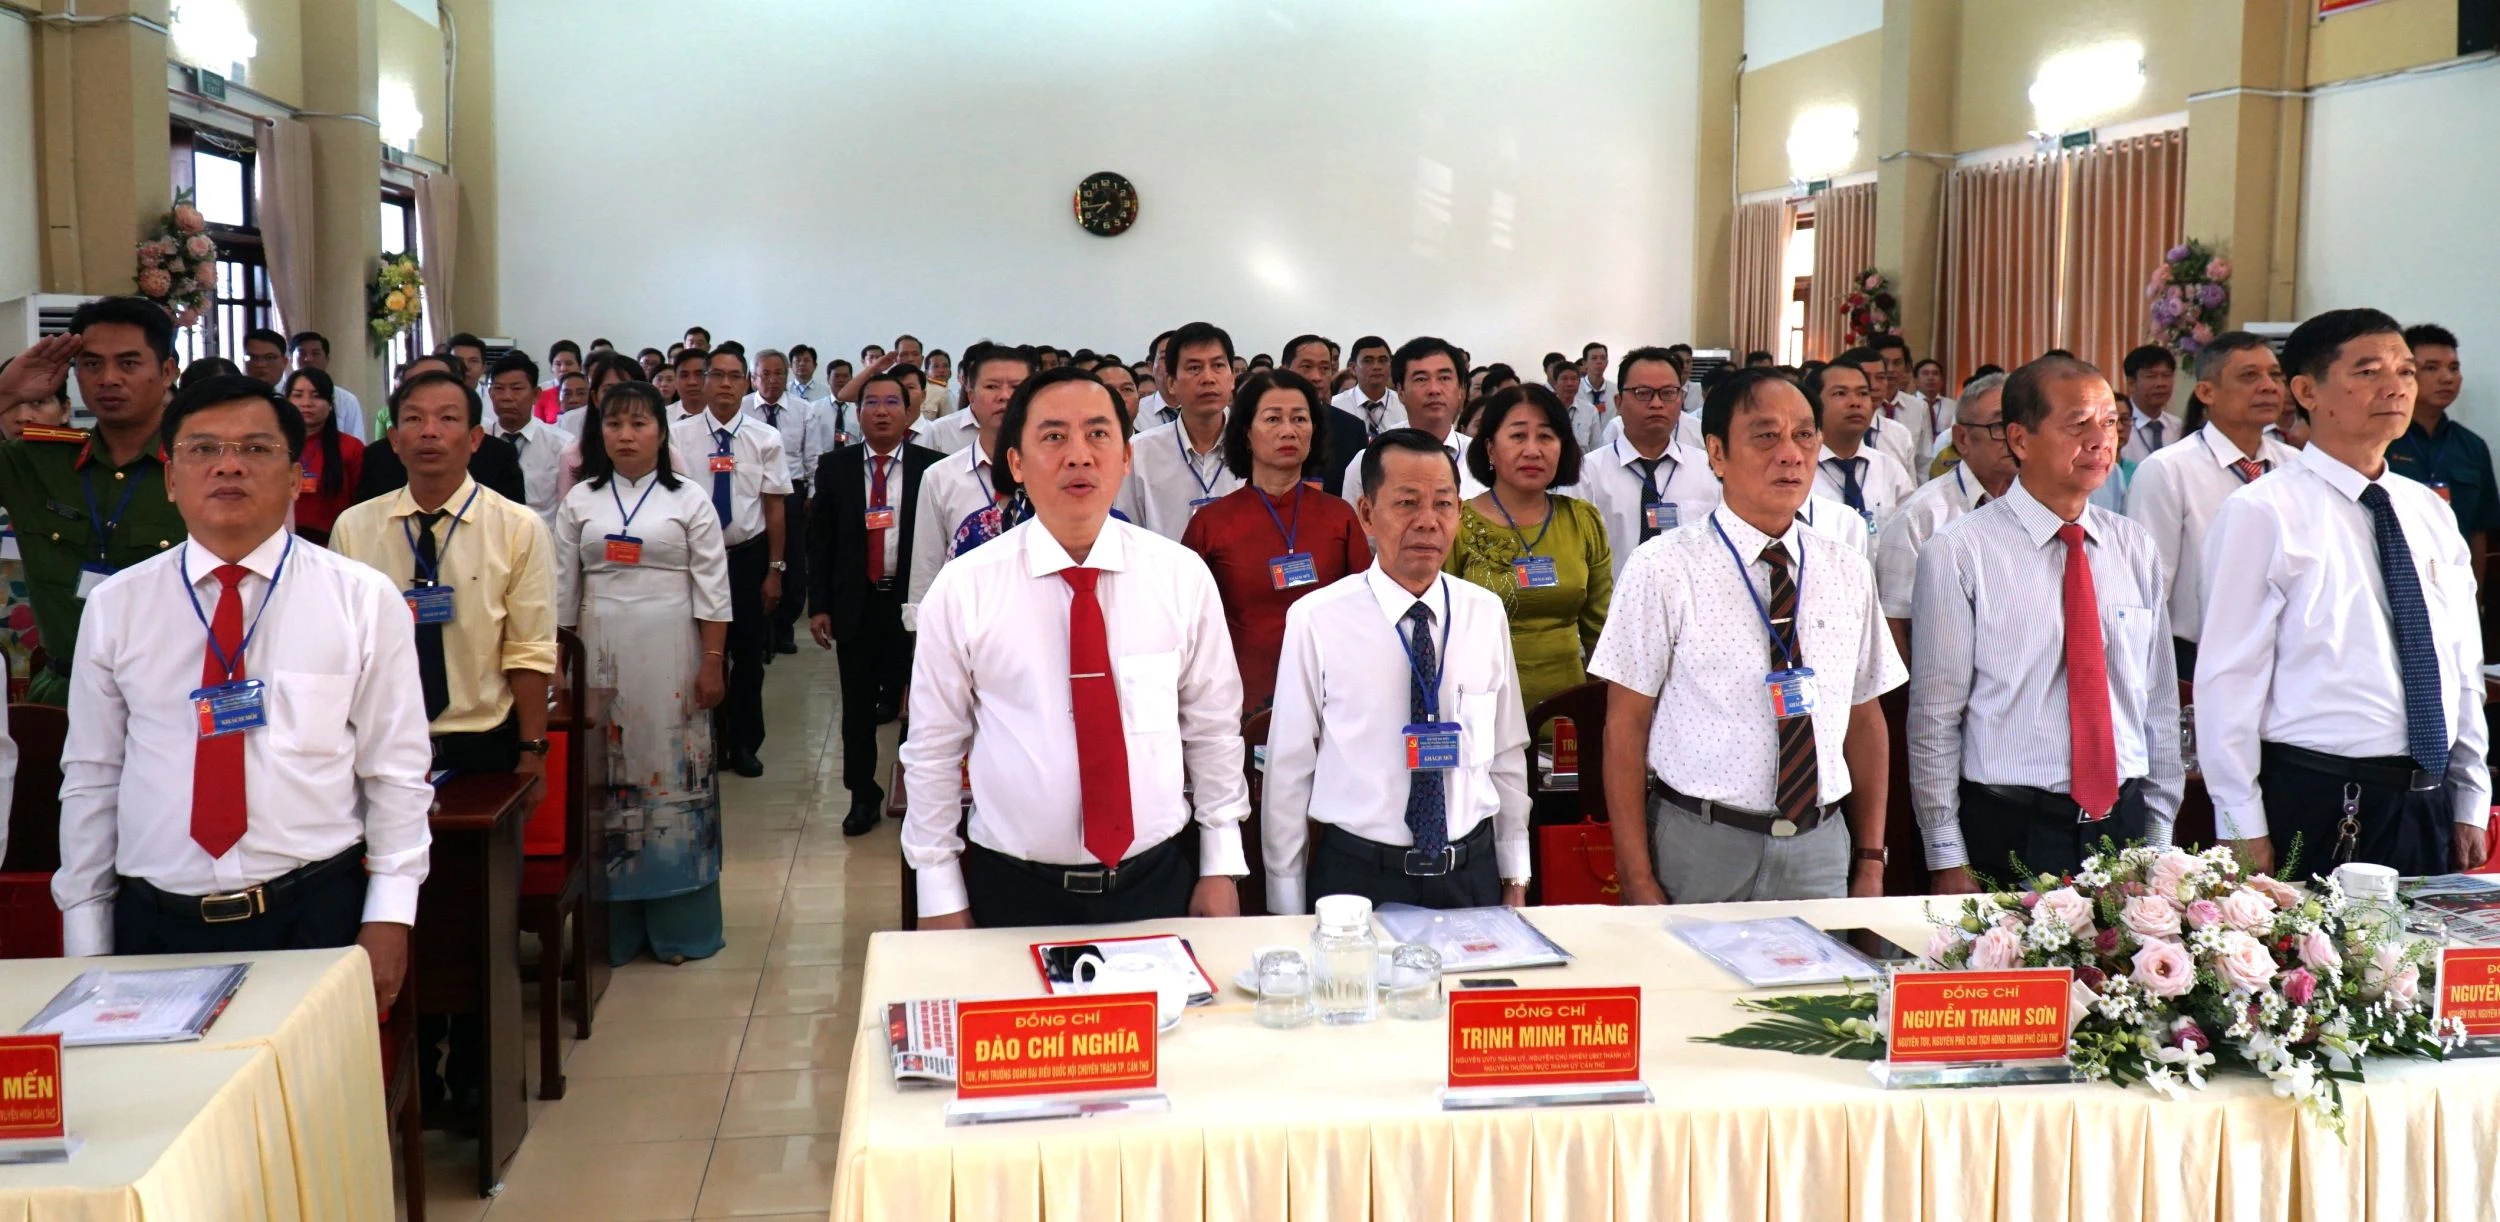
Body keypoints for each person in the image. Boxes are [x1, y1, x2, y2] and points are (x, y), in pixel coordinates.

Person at [55, 374, 430, 1013]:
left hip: (313, 912)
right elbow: (93, 776)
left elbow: (396, 770)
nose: (228, 465)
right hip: (154, 924)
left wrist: (391, 915)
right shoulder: (118, 606)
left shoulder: (361, 599)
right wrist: (86, 934)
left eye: (256, 449)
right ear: (171, 479)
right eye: (202, 449)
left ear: (296, 478)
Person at [902, 366, 1251, 929]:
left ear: (1126, 456)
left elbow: (1212, 729)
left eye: (1098, 434)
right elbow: (933, 749)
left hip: (1156, 881)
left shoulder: (1180, 576)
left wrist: (1221, 864)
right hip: (1013, 887)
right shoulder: (965, 587)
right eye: (1053, 436)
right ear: (1016, 463)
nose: (1079, 456)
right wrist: (939, 893)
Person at [1589, 369, 1905, 904]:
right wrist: (1636, 875)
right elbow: (1624, 726)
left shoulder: (1847, 568)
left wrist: (1872, 858)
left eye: (1804, 436)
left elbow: (1865, 715)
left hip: (1821, 846)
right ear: (1716, 454)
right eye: (1766, 436)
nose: (1790, 455)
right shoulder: (1663, 566)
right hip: (1701, 843)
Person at [2198, 308, 2491, 879]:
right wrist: (2239, 823)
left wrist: (2470, 795)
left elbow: (2461, 664)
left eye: (2405, 371)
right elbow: (2228, 681)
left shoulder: (2428, 511)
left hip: (2428, 799)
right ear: (2307, 391)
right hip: (2321, 795)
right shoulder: (2263, 512)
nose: (2396, 387)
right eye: (2368, 371)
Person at [1909, 356, 2183, 887]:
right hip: (2011, 824)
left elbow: (2157, 700)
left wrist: (2159, 836)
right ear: (2020, 438)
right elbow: (1935, 717)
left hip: (2123, 826)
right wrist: (1945, 854)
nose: (2100, 441)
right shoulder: (1961, 551)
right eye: (2078, 424)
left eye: (2109, 422)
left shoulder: (2133, 545)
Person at [1263, 428, 1532, 913]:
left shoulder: (1484, 612)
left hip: (1470, 874)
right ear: (1366, 513)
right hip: (1357, 879)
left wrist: (1515, 871)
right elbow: (1288, 771)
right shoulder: (1317, 619)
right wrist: (1285, 900)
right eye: (1407, 503)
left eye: (1443, 504)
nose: (1428, 522)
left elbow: (1506, 752)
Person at [555, 380, 732, 964]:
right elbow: (561, 591)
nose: (626, 436)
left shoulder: (690, 499)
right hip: (598, 650)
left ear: (661, 432)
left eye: (639, 424)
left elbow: (714, 589)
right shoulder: (581, 501)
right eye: (614, 424)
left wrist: (712, 662)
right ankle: (615, 932)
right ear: (599, 433)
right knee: (604, 780)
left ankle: (681, 927)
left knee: (673, 776)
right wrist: (558, 668)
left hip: (673, 652)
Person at [331, 370, 559, 779]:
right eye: (413, 419)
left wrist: (533, 751)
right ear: (394, 439)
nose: (429, 432)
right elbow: (340, 649)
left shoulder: (518, 528)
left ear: (474, 439)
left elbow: (528, 650)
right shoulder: (354, 527)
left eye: (448, 418)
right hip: (381, 747)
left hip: (483, 744)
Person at [0, 299, 190, 706]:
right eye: (91, 364)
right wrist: (6, 393)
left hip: (172, 698)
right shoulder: (36, 462)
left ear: (167, 372)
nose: (108, 379)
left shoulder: (202, 467)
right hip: (63, 696)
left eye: (128, 363)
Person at [1179, 371, 1369, 714]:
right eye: (1272, 419)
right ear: (1246, 433)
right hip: (1237, 701)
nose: (1288, 430)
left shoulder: (1339, 516)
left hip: (1332, 696)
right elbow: (1188, 628)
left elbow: (1364, 613)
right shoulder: (1211, 523)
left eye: (1299, 419)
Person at [808, 371, 942, 836]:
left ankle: (918, 793)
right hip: (856, 603)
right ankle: (862, 794)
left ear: (909, 413)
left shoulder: (933, 468)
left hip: (914, 605)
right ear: (858, 412)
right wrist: (819, 604)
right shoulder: (835, 467)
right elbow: (820, 542)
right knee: (858, 708)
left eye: (892, 402)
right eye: (871, 403)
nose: (882, 411)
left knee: (919, 704)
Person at [2124, 332, 2299, 675]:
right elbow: (2147, 589)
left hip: (2285, 652)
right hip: (2198, 657)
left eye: (2275, 375)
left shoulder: (2294, 465)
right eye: (2249, 376)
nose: (2268, 386)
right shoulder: (2168, 470)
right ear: (2206, 392)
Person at [1447, 385, 1611, 720]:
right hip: (1483, 712)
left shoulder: (1582, 520)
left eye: (1546, 437)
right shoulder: (1457, 525)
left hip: (1568, 712)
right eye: (1518, 436)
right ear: (1490, 448)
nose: (1533, 451)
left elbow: (1602, 631)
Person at [671, 348, 788, 777]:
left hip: (746, 557)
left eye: (734, 376)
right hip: (694, 560)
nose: (724, 384)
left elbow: (774, 507)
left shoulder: (765, 438)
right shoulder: (677, 436)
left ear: (747, 384)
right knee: (697, 653)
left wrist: (775, 570)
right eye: (716, 375)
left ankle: (743, 744)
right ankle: (701, 744)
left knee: (747, 656)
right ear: (702, 381)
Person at [1875, 372, 2010, 657]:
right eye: (1999, 426)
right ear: (1962, 439)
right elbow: (1894, 622)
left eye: (2023, 425)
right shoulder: (1921, 515)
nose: (2014, 438)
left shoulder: (2042, 504)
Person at [904, 344, 1031, 629]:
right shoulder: (941, 476)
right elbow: (927, 564)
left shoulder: (1053, 472)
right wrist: (920, 631)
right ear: (971, 395)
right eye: (992, 386)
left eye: (1016, 387)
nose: (1005, 396)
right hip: (964, 623)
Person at [1567, 346, 1719, 582]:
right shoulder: (1587, 473)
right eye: (1643, 393)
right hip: (1613, 602)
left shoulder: (1710, 469)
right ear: (1618, 402)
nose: (1657, 403)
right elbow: (1573, 555)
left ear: (1681, 399)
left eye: (1668, 393)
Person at [2385, 324, 2498, 581]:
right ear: (2404, 373)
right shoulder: (2381, 440)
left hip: (2453, 580)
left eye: (2454, 368)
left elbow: (2479, 532)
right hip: (2397, 578)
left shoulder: (2472, 446)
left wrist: (2475, 596)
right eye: (2431, 368)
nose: (2447, 378)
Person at [1117, 321, 1241, 540]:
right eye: (1194, 368)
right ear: (1171, 383)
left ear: (1231, 379)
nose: (1208, 378)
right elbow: (1126, 534)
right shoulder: (1139, 453)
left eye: (1218, 366)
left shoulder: (1255, 446)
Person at [743, 349, 829, 656]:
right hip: (750, 492)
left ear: (787, 376)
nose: (772, 380)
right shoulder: (742, 408)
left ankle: (784, 628)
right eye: (764, 374)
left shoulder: (803, 410)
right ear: (753, 378)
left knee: (791, 562)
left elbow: (813, 455)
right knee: (755, 558)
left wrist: (812, 494)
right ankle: (756, 628)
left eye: (778, 373)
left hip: (791, 492)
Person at [0, 361, 73, 696]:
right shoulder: (9, 468)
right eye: (11, 405)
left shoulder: (92, 470)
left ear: (65, 409)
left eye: (38, 403)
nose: (23, 417)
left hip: (68, 655)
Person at [1338, 336, 1482, 503]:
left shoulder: (1483, 459)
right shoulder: (1368, 461)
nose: (1434, 389)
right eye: (1421, 379)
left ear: (1461, 389)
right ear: (1400, 392)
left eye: (1444, 378)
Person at [1808, 358, 1916, 533]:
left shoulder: (1890, 470)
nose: (1855, 402)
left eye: (1863, 393)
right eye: (1840, 393)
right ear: (1813, 404)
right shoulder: (1799, 470)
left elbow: (1910, 532)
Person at [280, 368, 364, 545]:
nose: (306, 403)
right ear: (286, 401)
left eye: (316, 396)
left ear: (330, 404)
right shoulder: (273, 446)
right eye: (298, 395)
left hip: (335, 545)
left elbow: (362, 505)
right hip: (281, 544)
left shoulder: (351, 447)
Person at [484, 352, 567, 531]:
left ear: (536, 394)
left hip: (541, 538)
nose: (507, 397)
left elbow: (566, 511)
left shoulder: (561, 444)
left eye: (516, 389)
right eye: (499, 389)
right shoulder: (477, 442)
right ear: (490, 394)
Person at [1284, 334, 1368, 496]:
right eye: (1307, 367)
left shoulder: (1351, 428)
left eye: (1325, 368)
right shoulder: (1264, 424)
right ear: (1284, 371)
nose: (1316, 377)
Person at [289, 331, 366, 440]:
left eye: (315, 353)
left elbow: (356, 439)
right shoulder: (279, 395)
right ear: (291, 360)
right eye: (302, 353)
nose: (308, 359)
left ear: (327, 360)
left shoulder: (347, 400)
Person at [2117, 345, 2182, 466]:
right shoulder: (2118, 428)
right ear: (2131, 383)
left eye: (2167, 375)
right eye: (2151, 376)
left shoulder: (2179, 427)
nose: (2160, 383)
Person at [1330, 335, 1404, 438]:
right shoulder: (1335, 405)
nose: (1376, 367)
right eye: (1368, 361)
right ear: (1353, 368)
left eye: (1382, 360)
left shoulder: (1404, 405)